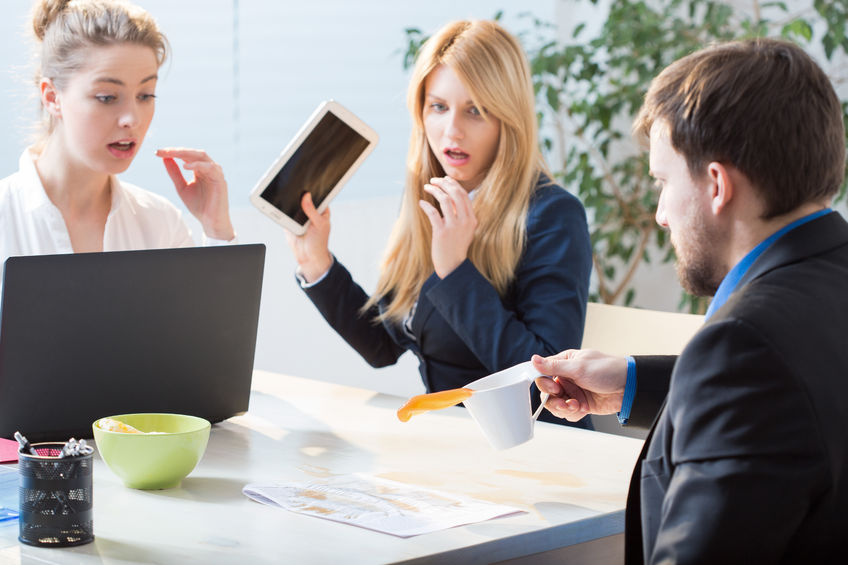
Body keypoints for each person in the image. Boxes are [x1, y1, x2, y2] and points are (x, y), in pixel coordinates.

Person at [533, 38, 847, 562]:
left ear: (716, 185)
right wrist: (633, 380)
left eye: (663, 181)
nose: (659, 214)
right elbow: (794, 395)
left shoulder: (745, 347)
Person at [287, 20, 593, 427]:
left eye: (476, 110)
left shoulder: (552, 215)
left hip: (528, 454)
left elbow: (548, 379)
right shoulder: (432, 202)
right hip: (446, 448)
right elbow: (382, 345)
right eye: (438, 107)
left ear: (508, 117)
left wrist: (455, 271)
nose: (452, 130)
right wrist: (317, 263)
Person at [0, 0, 235, 266]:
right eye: (107, 97)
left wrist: (216, 229)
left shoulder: (161, 225)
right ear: (52, 97)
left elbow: (204, 310)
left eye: (145, 95)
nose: (132, 119)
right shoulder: (5, 218)